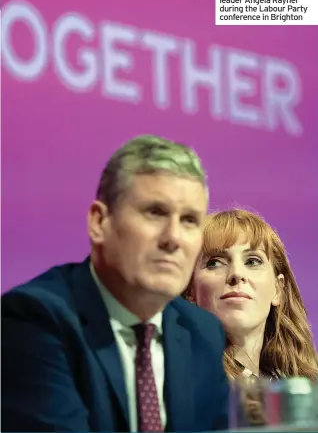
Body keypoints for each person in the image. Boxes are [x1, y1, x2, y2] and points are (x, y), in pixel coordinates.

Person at [2, 135, 229, 433]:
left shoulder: (202, 332)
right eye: (155, 212)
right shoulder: (34, 319)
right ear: (99, 222)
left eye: (189, 220)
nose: (173, 238)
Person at [183, 208, 318, 381]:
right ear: (190, 291)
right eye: (215, 262)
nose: (236, 274)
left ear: (277, 290)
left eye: (252, 261)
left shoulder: (303, 387)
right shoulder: (174, 378)